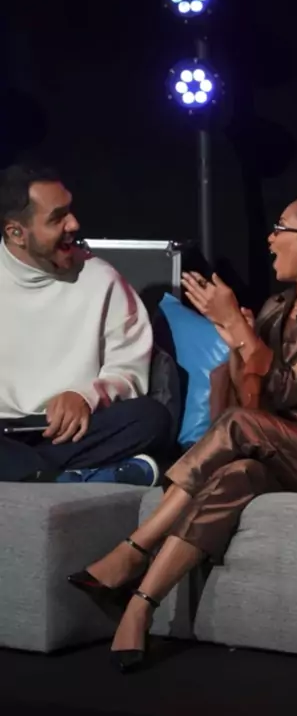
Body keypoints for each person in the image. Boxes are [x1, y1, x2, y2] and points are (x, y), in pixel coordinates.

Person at [68, 192, 297, 673]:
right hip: (277, 443)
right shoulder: (276, 307)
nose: (270, 238)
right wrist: (235, 345)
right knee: (235, 475)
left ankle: (132, 550)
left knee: (243, 430)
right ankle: (141, 604)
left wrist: (239, 330)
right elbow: (251, 406)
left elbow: (288, 390)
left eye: (281, 228)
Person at [0, 163, 173, 486]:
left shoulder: (102, 279)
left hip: (72, 432)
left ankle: (33, 474)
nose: (74, 224)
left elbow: (128, 371)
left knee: (151, 418)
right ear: (16, 233)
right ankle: (63, 477)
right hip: (4, 433)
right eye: (57, 218)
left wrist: (85, 396)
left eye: (70, 211)